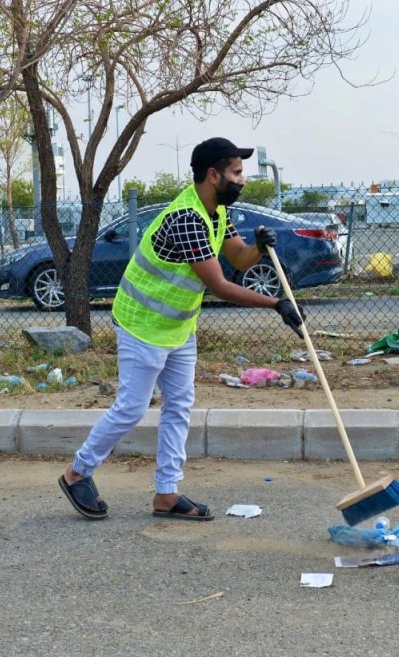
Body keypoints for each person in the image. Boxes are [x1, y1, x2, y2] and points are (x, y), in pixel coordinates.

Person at [58, 137, 306, 521]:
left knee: (179, 407)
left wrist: (256, 246)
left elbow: (238, 257)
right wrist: (275, 303)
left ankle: (167, 495)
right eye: (237, 172)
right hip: (142, 325)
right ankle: (77, 473)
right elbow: (221, 285)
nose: (243, 180)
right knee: (131, 408)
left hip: (177, 327)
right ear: (213, 175)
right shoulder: (187, 218)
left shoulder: (215, 213)